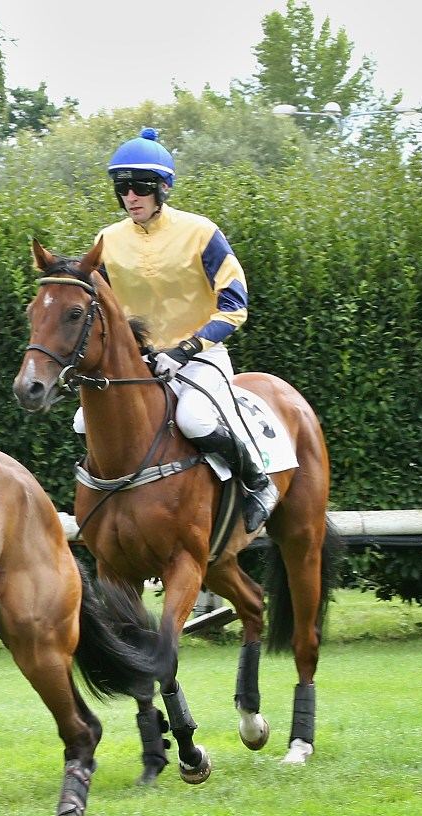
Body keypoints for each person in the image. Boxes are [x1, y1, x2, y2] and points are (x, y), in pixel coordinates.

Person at [98, 127, 278, 533]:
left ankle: (257, 481)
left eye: (140, 187)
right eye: (122, 188)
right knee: (83, 421)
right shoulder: (107, 240)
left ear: (163, 188)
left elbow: (234, 305)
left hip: (200, 356)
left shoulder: (201, 232)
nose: (130, 197)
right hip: (140, 364)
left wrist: (185, 350)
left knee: (194, 419)